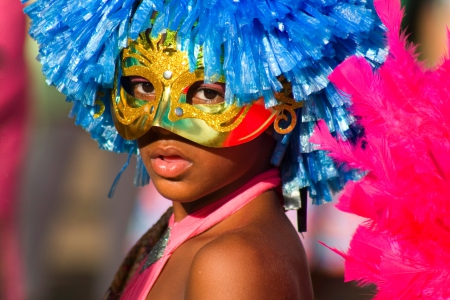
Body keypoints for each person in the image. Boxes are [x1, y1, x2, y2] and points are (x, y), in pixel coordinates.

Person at [23, 0, 387, 299]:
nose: (161, 122)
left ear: (283, 108)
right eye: (142, 86)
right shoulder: (189, 228)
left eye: (208, 94)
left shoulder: (232, 264)